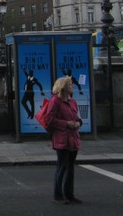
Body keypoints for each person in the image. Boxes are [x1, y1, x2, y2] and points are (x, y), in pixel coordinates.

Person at [46, 76, 83, 205]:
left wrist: (78, 122)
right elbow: (49, 119)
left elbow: (76, 116)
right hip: (62, 138)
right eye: (70, 84)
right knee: (62, 166)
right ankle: (58, 195)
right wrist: (66, 123)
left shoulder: (72, 101)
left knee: (70, 167)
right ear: (63, 87)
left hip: (73, 138)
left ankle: (69, 194)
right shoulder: (55, 101)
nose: (72, 86)